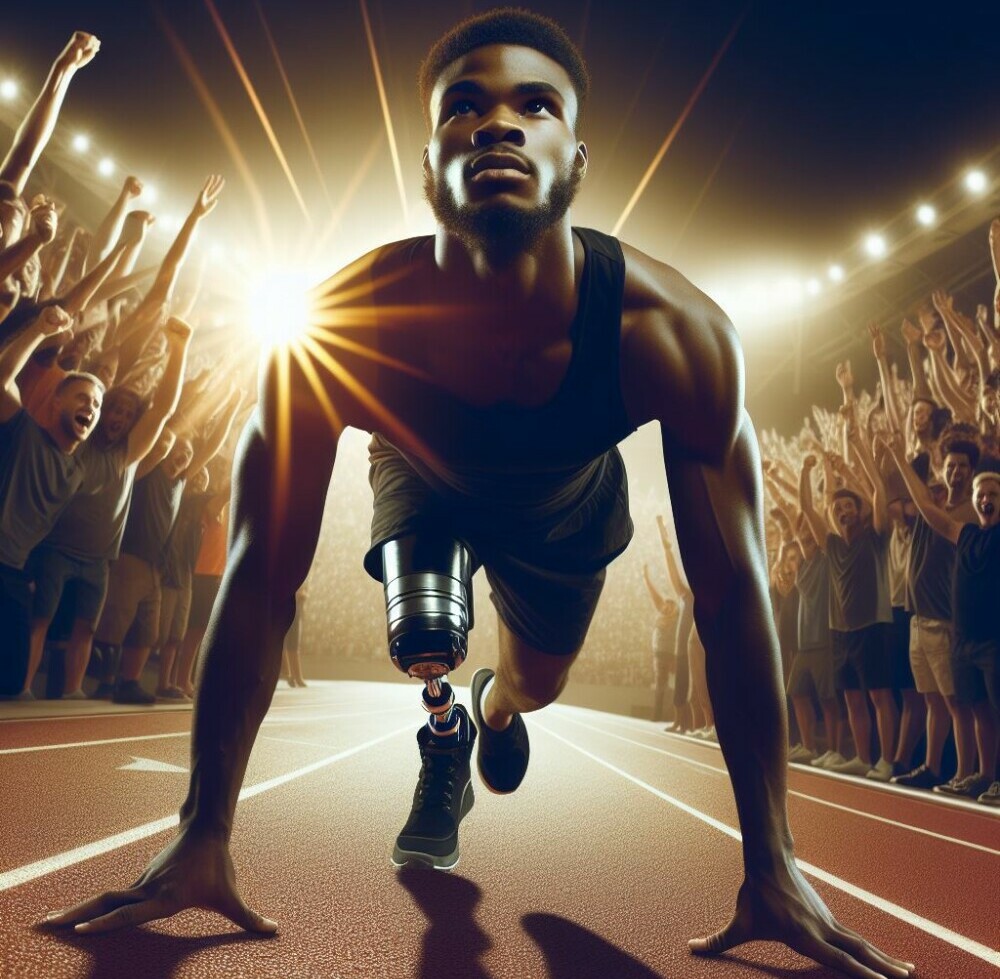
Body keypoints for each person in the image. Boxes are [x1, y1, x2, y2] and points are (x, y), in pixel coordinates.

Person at [46, 12, 913, 977]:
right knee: (427, 629)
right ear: (429, 161)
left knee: (539, 682)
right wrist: (204, 829)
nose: (498, 123)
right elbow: (255, 578)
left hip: (569, 513)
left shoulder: (674, 332)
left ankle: (494, 708)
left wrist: (774, 860)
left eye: (534, 105)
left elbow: (734, 597)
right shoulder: (340, 328)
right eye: (465, 105)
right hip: (421, 472)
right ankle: (443, 720)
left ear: (576, 158)